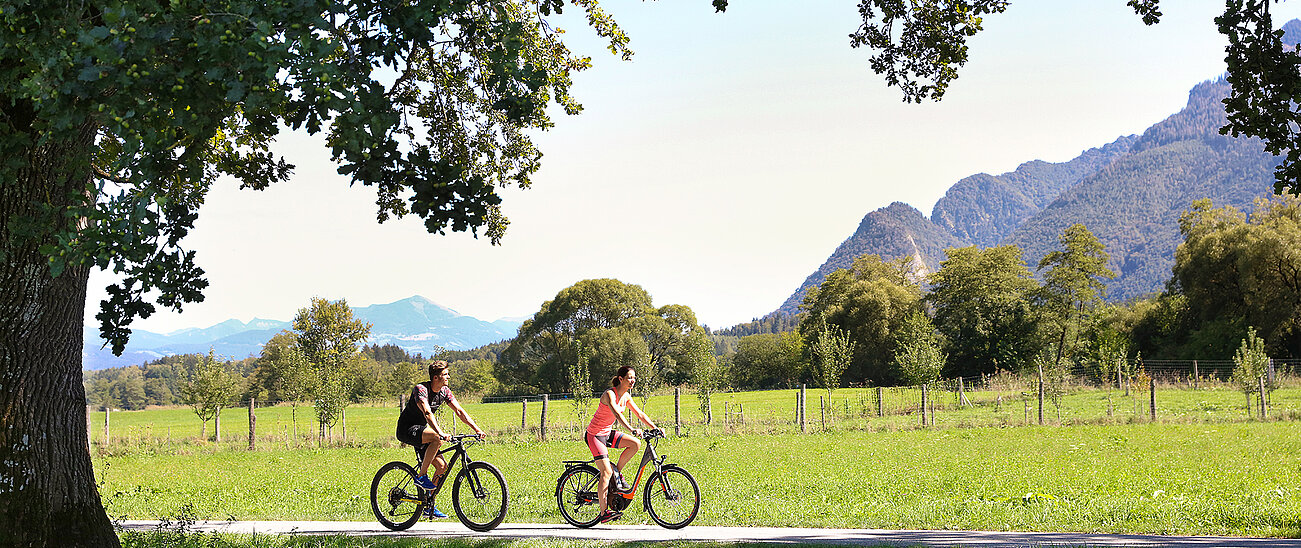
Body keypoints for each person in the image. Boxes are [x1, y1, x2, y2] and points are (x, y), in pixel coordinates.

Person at [395, 360, 486, 519]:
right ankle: (421, 476)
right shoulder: (421, 389)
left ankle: (428, 505)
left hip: (423, 432)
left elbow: (459, 411)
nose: (448, 377)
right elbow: (428, 413)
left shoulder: (444, 391)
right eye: (445, 375)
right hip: (407, 430)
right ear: (435, 378)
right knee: (437, 438)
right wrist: (441, 433)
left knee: (442, 467)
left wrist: (477, 429)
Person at [584, 365, 658, 524]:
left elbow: (640, 413)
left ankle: (615, 474)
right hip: (595, 435)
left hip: (607, 433)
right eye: (630, 378)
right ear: (621, 379)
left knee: (635, 444)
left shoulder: (626, 396)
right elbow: (616, 414)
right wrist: (631, 428)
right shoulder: (609, 394)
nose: (633, 381)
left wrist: (655, 427)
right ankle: (604, 513)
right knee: (605, 472)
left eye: (634, 378)